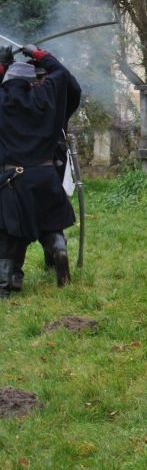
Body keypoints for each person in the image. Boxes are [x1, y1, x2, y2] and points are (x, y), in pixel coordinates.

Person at [0, 45, 81, 298]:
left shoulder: (3, 101)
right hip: (46, 175)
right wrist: (42, 56)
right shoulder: (47, 98)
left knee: (10, 232)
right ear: (31, 82)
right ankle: (59, 249)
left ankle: (4, 287)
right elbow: (63, 76)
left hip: (14, 178)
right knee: (50, 225)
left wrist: (2, 66)